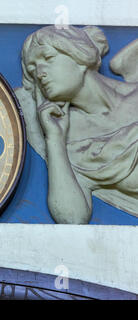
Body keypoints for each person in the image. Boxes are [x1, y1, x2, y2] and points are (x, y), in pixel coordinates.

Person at [17, 25, 138, 224]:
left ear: (80, 57)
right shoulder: (74, 144)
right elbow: (72, 217)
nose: (40, 73)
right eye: (33, 69)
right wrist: (54, 140)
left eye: (48, 59)